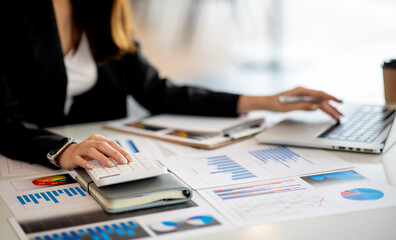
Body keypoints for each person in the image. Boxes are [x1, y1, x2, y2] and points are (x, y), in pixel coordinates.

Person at [0, 0, 342, 171]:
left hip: (95, 168)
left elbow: (157, 92)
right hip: (26, 159)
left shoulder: (102, 7)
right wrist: (61, 149)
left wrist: (266, 101)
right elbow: (3, 120)